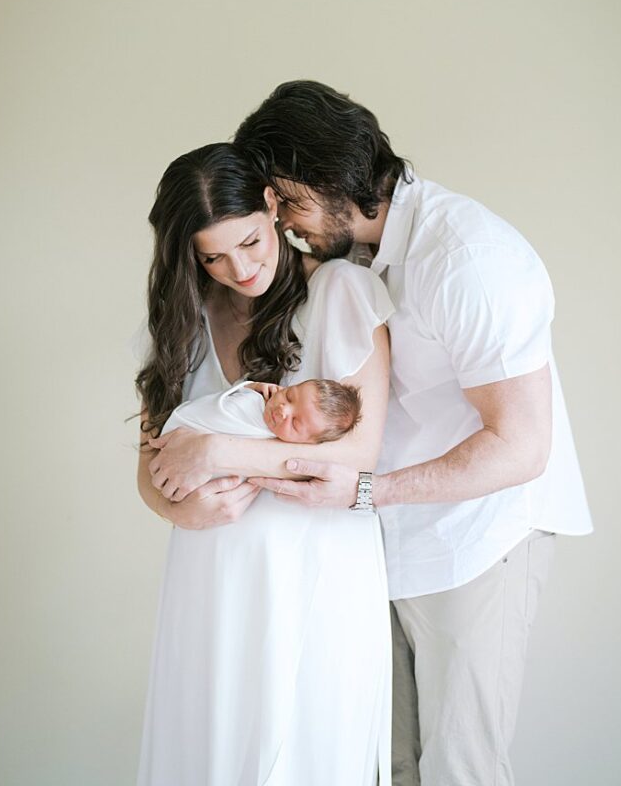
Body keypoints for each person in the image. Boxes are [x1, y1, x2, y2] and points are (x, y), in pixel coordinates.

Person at [226, 80, 595, 786]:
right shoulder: (350, 255)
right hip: (391, 537)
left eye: (288, 200)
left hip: (481, 539)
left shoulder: (468, 260)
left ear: (333, 181)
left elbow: (520, 444)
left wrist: (365, 490)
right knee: (389, 765)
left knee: (460, 770)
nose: (286, 224)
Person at [135, 142, 394, 786]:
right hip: (211, 574)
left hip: (318, 570)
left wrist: (222, 452)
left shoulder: (341, 292)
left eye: (250, 241)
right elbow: (149, 468)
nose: (239, 267)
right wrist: (175, 506)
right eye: (213, 256)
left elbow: (359, 455)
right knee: (213, 747)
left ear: (273, 207)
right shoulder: (182, 320)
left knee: (313, 745)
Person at [161, 376, 362, 444]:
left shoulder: (272, 445)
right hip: (181, 425)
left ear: (309, 443)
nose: (283, 410)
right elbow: (223, 400)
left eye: (295, 423)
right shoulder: (258, 398)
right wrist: (251, 386)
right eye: (290, 395)